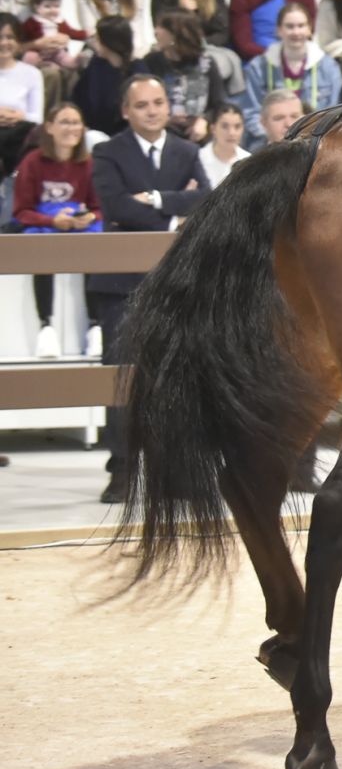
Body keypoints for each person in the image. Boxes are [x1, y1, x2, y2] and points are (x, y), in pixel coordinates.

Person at [88, 73, 211, 503]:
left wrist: (157, 202)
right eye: (143, 105)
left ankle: (175, 470)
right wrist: (179, 206)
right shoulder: (107, 152)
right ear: (126, 110)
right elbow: (117, 206)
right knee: (123, 376)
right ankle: (122, 467)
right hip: (119, 284)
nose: (154, 110)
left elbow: (206, 200)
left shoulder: (187, 150)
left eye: (159, 102)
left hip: (176, 282)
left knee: (178, 374)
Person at [8, 101, 99, 360]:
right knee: (42, 247)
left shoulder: (89, 163)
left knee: (98, 243)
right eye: (65, 122)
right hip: (42, 223)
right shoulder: (32, 162)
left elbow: (99, 207)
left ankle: (95, 325)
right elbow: (21, 211)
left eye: (76, 122)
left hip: (79, 224)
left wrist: (88, 217)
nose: (71, 128)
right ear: (49, 127)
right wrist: (52, 222)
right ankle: (45, 325)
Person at [240, 3, 342, 148]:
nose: (296, 32)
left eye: (301, 26)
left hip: (313, 143)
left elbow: (333, 113)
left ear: (309, 29)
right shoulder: (258, 67)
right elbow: (251, 113)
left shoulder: (329, 67)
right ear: (279, 30)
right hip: (268, 142)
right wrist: (276, 137)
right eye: (289, 26)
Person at [137, 12, 225, 142]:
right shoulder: (150, 62)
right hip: (162, 132)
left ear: (174, 35)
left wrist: (204, 120)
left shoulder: (206, 63)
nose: (156, 32)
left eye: (161, 28)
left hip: (199, 133)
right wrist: (164, 119)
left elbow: (218, 103)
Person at [18, 0, 84, 107]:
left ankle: (72, 62)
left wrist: (86, 33)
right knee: (30, 57)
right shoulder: (32, 22)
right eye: (47, 6)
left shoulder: (60, 22)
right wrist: (36, 44)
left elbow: (72, 32)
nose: (52, 10)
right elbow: (22, 38)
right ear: (37, 7)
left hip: (56, 52)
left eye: (56, 6)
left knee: (65, 59)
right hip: (37, 52)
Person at [71, 15, 135, 136]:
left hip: (124, 135)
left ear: (108, 42)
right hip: (91, 132)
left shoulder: (136, 70)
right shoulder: (96, 65)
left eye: (97, 38)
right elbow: (78, 99)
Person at [0, 19, 44, 176]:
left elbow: (37, 117)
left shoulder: (32, 74)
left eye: (10, 37)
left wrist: (19, 116)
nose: (4, 42)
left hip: (19, 135)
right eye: (0, 37)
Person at [198, 102, 250, 188]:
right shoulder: (199, 158)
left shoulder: (248, 160)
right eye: (225, 126)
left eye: (237, 127)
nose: (231, 133)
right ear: (213, 129)